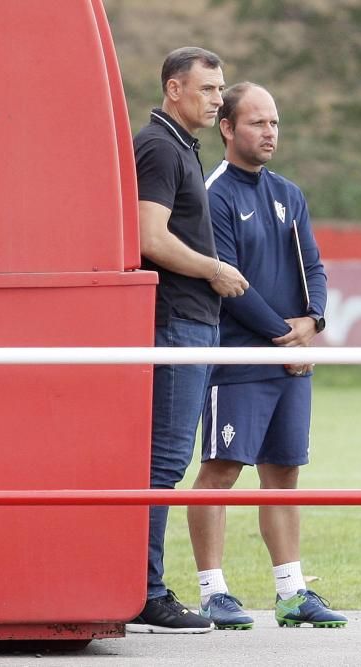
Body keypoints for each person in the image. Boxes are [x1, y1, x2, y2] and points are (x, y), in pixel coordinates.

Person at [190, 82, 347, 630]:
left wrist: (315, 322)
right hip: (236, 361)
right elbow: (229, 283)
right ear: (228, 129)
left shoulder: (289, 193)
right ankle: (213, 592)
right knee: (220, 471)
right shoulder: (215, 194)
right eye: (258, 123)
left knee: (284, 474)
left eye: (275, 123)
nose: (270, 133)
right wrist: (288, 337)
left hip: (291, 361)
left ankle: (291, 592)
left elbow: (316, 269)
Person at [126, 47, 249, 635]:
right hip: (175, 318)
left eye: (220, 88)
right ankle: (145, 591)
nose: (217, 98)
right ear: (174, 89)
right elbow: (149, 236)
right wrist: (212, 269)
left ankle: (143, 586)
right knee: (164, 461)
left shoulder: (179, 145)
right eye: (207, 89)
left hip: (190, 319)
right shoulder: (157, 146)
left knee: (166, 460)